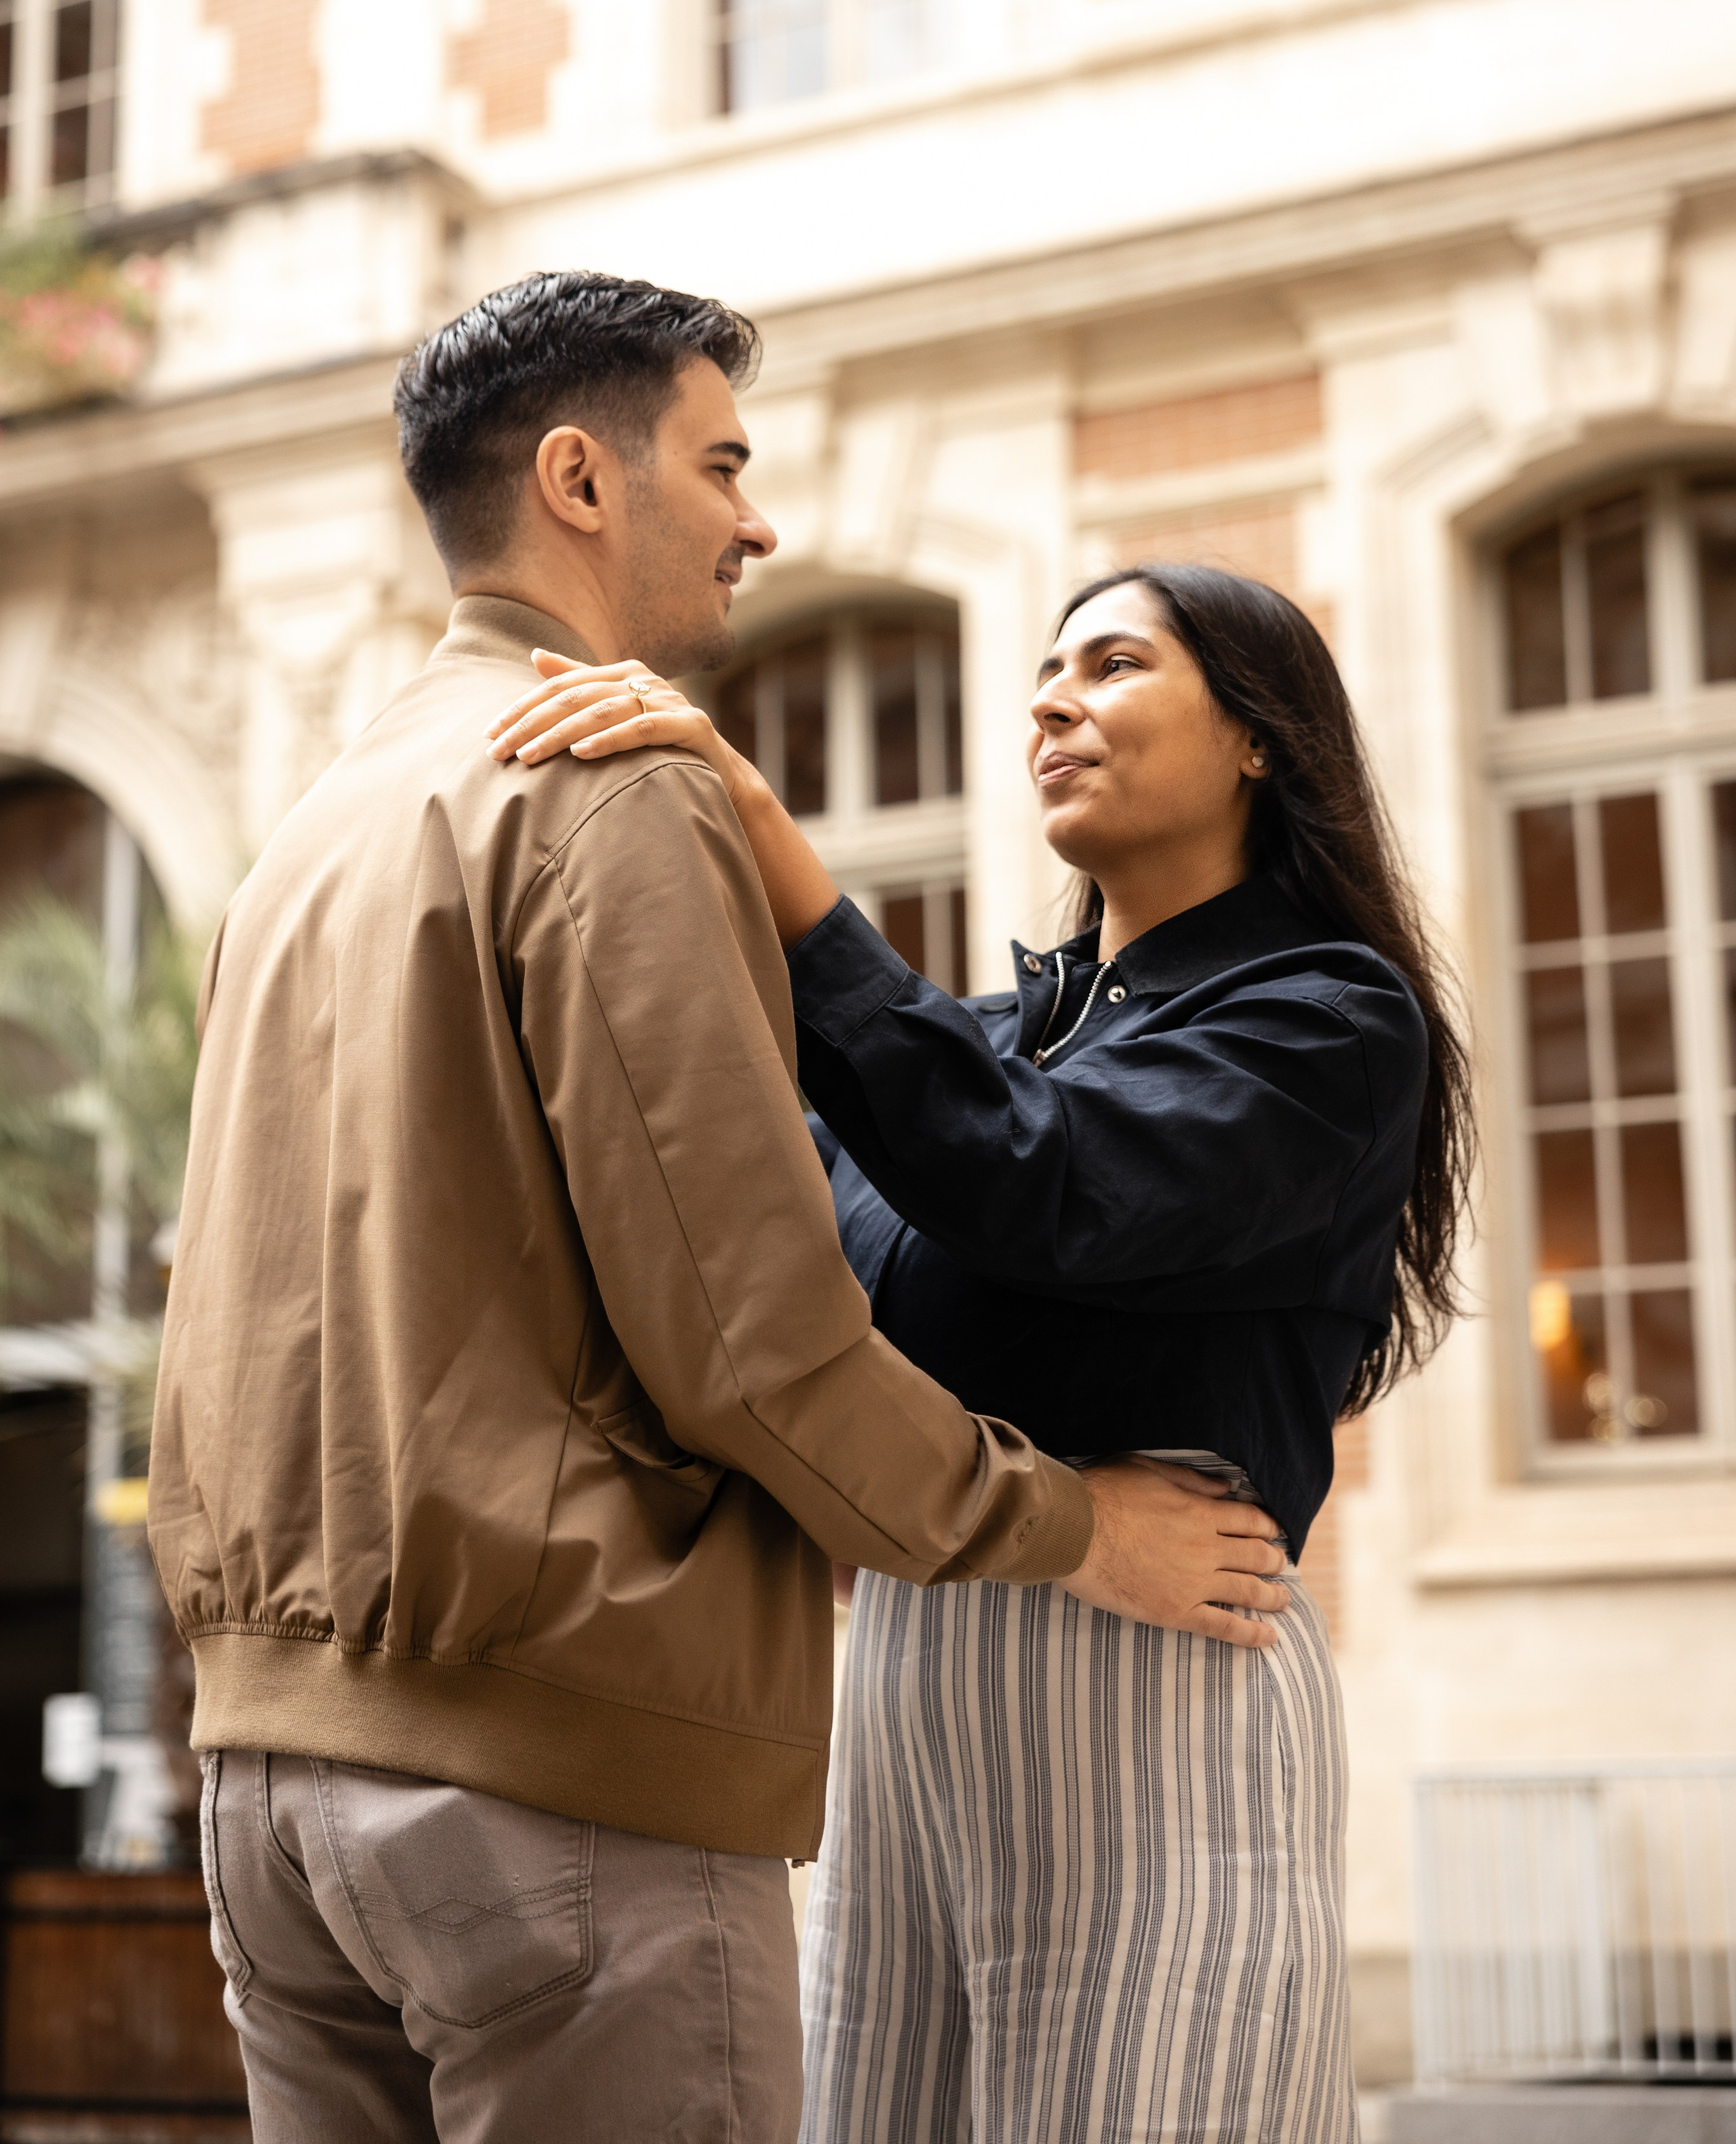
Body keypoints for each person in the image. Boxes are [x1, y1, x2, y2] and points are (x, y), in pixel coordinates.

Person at [146, 273, 1292, 2144]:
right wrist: (1074, 1525)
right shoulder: (612, 787)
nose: (759, 521)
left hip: (274, 1807)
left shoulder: (315, 823)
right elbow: (752, 1350)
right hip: (556, 1800)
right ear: (584, 484)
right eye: (726, 465)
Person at [486, 555, 1475, 2144]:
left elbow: (1047, 1185)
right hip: (905, 1674)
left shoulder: (1326, 1017)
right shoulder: (993, 1043)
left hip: (1159, 1676)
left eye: (1111, 665)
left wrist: (761, 832)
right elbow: (793, 1298)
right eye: (1043, 671)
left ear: (1256, 738)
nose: (1048, 700)